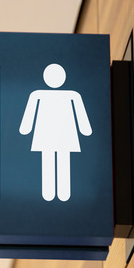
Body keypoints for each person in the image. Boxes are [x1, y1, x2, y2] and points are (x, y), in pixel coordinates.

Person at [19, 63, 91, 201]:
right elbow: (30, 114)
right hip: (53, 135)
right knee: (51, 161)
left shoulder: (71, 95)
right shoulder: (39, 95)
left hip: (57, 134)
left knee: (59, 160)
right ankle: (51, 192)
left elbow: (80, 114)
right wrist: (85, 130)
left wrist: (25, 129)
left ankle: (60, 193)